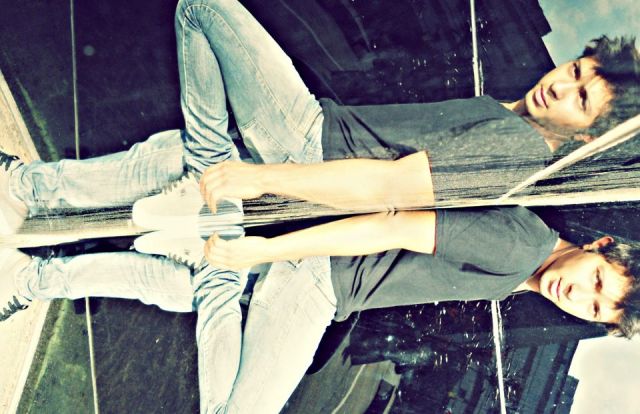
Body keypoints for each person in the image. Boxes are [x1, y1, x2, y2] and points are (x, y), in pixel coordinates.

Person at [1, 0, 639, 412]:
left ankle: (80, 215)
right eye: (576, 75)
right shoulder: (520, 222)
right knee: (201, 25)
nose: (575, 294)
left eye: (593, 304)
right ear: (600, 246)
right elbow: (390, 207)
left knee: (201, 26)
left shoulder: (521, 231)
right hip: (317, 182)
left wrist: (257, 225)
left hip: (323, 262)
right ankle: (89, 252)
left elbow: (393, 215)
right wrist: (255, 188)